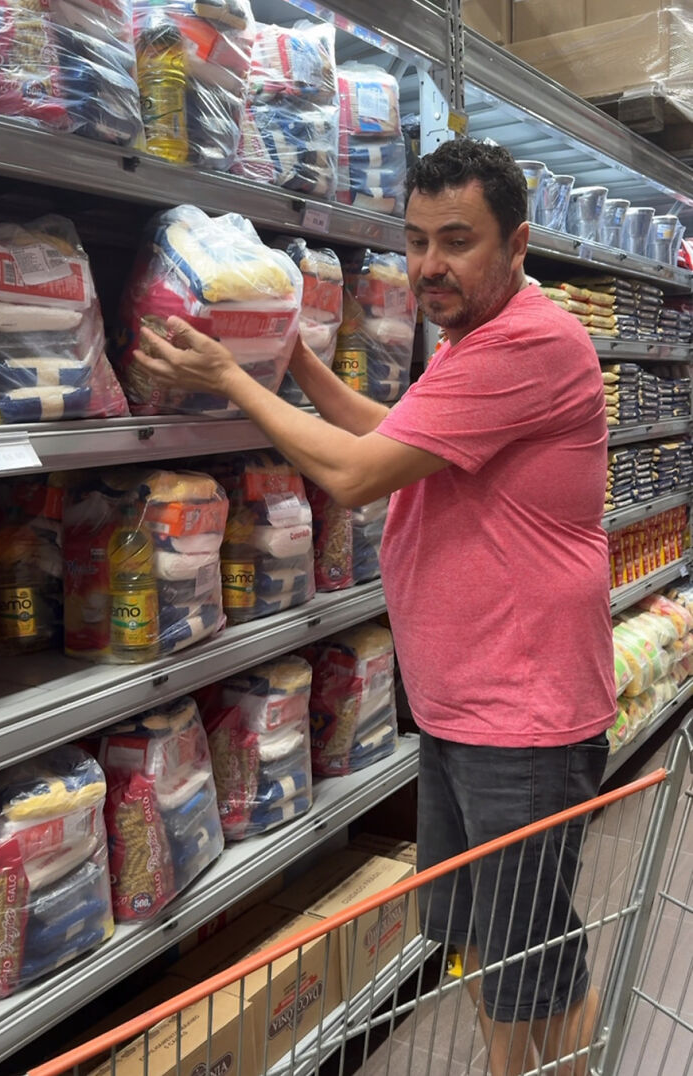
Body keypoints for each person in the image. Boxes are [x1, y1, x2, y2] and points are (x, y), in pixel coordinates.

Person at [134, 137, 616, 1076]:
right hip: (463, 707)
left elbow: (355, 477)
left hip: (526, 716)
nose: (428, 264)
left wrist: (230, 380)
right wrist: (288, 360)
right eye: (415, 239)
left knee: (533, 956)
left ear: (516, 245)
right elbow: (387, 432)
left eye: (457, 240)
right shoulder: (475, 340)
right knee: (472, 933)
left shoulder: (528, 342)